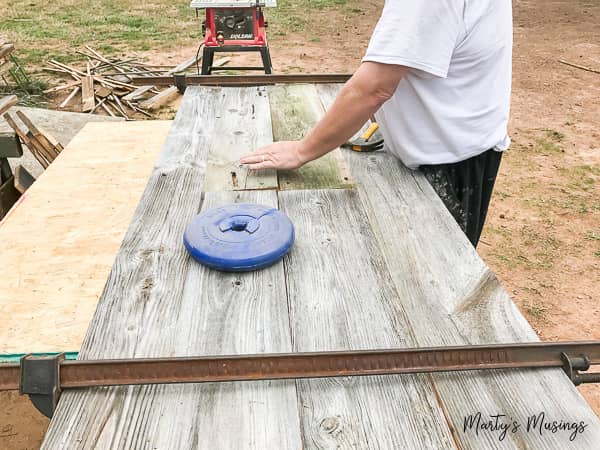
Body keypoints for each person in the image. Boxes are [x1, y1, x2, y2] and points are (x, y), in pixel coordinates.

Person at [240, 0, 513, 247]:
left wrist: (302, 151)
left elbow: (373, 89)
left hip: (445, 166)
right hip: (469, 150)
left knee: (426, 281)